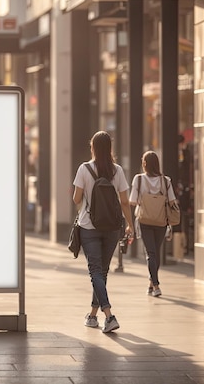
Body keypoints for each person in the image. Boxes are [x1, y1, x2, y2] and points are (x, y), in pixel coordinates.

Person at [72, 131, 133, 333]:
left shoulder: (84, 169)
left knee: (95, 271)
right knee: (102, 272)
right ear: (110, 149)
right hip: (112, 228)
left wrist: (86, 202)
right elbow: (124, 201)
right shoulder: (117, 171)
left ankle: (108, 316)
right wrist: (130, 225)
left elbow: (76, 198)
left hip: (89, 226)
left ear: (93, 148)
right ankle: (92, 315)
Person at [129, 151, 177, 298]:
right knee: (156, 251)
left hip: (145, 220)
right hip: (161, 221)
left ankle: (154, 285)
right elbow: (172, 202)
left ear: (144, 164)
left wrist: (147, 198)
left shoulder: (138, 179)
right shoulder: (166, 181)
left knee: (151, 253)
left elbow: (132, 201)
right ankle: (154, 283)